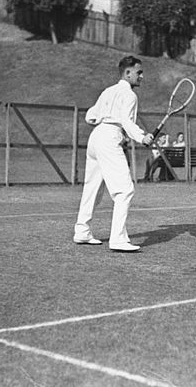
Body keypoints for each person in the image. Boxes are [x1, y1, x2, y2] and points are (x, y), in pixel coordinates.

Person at [73, 56, 154, 252]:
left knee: (93, 188)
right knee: (125, 190)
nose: (142, 76)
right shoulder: (130, 96)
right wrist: (142, 137)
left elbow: (90, 116)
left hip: (96, 137)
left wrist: (106, 120)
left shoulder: (108, 91)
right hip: (109, 139)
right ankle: (118, 240)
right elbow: (126, 121)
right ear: (127, 73)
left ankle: (82, 232)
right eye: (139, 72)